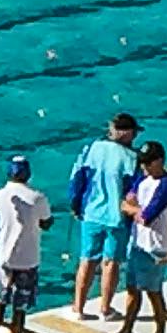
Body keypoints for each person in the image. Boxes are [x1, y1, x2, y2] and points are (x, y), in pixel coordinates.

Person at [68, 115, 142, 319]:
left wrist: (75, 205)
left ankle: (78, 307)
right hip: (116, 217)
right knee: (111, 262)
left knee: (87, 260)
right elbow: (134, 191)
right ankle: (105, 308)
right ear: (126, 133)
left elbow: (77, 180)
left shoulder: (92, 148)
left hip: (91, 213)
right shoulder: (131, 158)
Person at [0, 155, 50, 333]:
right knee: (19, 309)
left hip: (4, 259)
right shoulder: (37, 198)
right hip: (28, 260)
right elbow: (46, 222)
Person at [119, 139, 167, 331]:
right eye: (142, 162)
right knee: (132, 288)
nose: (143, 166)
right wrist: (133, 208)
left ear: (159, 161)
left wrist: (132, 208)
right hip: (137, 243)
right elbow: (127, 200)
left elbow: (146, 217)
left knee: (154, 293)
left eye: (148, 162)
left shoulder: (166, 185)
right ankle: (127, 329)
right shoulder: (143, 178)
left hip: (155, 247)